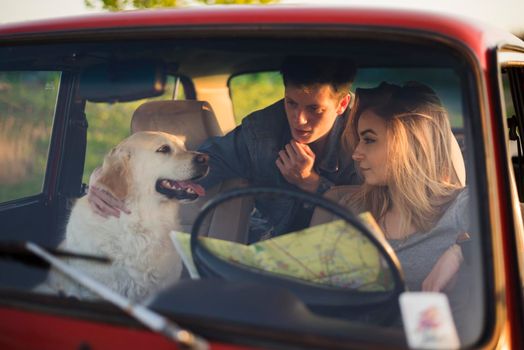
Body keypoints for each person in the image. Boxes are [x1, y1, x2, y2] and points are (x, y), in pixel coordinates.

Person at [87, 56, 359, 241]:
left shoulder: (366, 139)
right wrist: (105, 179)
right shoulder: (261, 132)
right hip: (275, 254)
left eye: (314, 109)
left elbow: (380, 212)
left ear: (342, 105)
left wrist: (312, 184)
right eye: (291, 103)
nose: (299, 119)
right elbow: (204, 165)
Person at [336, 81, 469, 292]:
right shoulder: (354, 209)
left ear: (408, 143)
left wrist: (460, 253)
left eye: (369, 140)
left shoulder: (463, 206)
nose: (356, 153)